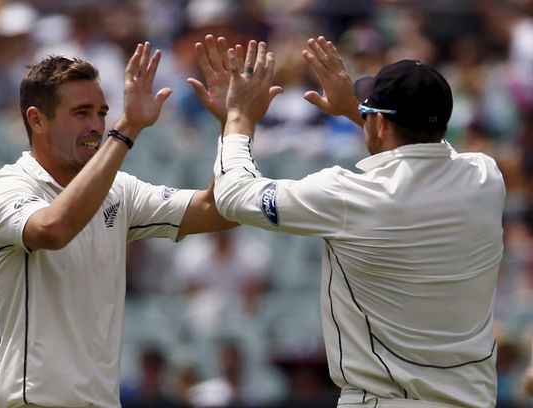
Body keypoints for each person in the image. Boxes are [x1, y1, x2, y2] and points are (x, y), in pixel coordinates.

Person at [209, 37, 506, 407]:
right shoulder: (486, 178)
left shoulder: (348, 197)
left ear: (379, 124)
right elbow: (428, 149)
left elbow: (233, 195)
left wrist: (238, 117)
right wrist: (363, 112)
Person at [0, 37, 237, 408]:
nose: (98, 126)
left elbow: (220, 210)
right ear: (37, 119)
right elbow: (53, 229)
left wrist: (234, 123)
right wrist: (128, 127)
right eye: (82, 113)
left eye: (102, 113)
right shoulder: (5, 188)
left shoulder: (119, 190)